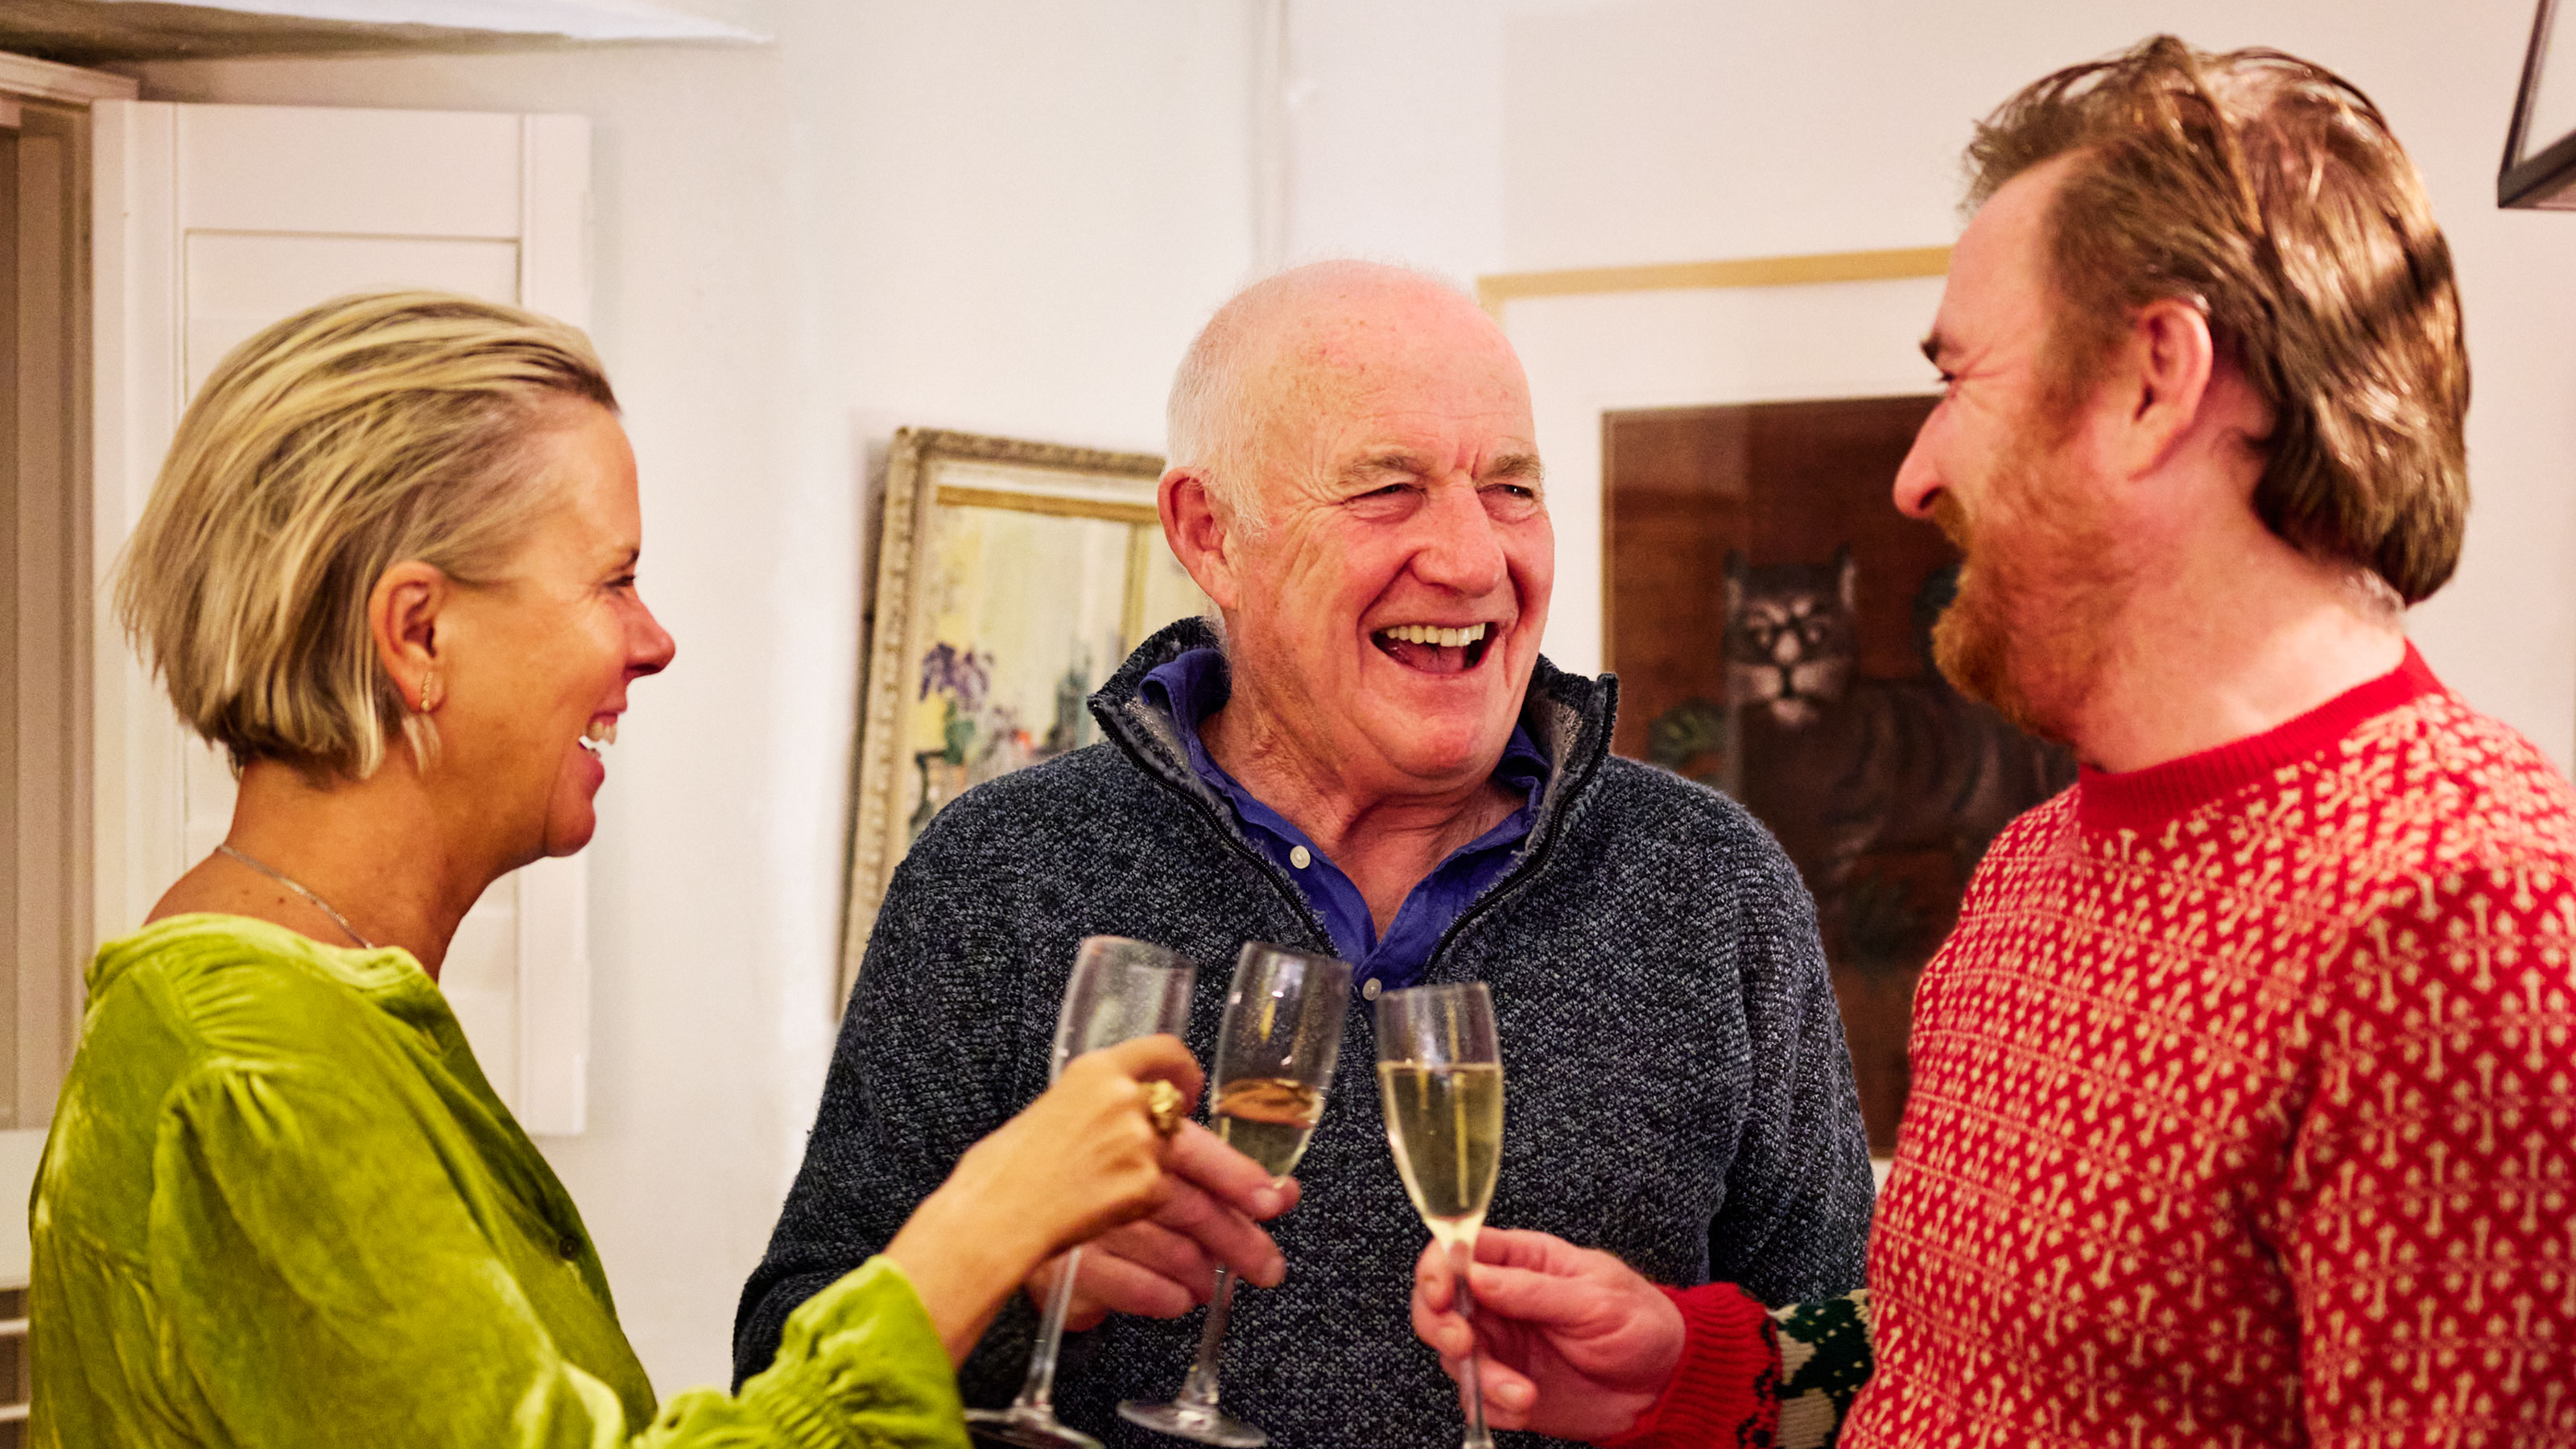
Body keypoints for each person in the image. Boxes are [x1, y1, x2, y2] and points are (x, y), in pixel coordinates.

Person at [1410, 35, 2576, 1449]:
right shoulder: (2036, 866)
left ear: (2155, 379)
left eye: (1961, 379)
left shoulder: (2473, 924)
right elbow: (1963, 1360)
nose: (1915, 474)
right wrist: (1692, 1373)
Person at [31, 291, 1292, 1448]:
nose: (656, 641)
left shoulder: (329, 1013)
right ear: (418, 634)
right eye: (615, 580)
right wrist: (973, 1231)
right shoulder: (257, 1073)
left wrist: (1002, 1273)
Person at [733, 260, 1876, 1447]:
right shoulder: (999, 872)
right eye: (1387, 490)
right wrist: (1011, 1281)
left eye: (1511, 488)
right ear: (1210, 533)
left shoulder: (1707, 882)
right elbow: (785, 1360)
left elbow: (1872, 1369)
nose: (1474, 559)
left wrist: (1685, 1365)